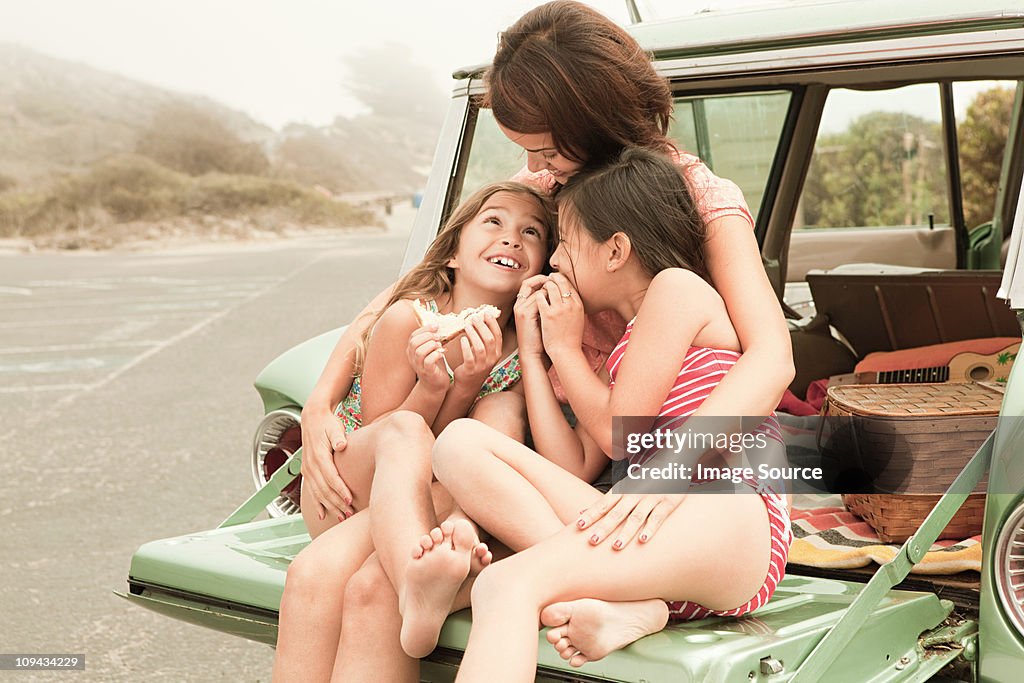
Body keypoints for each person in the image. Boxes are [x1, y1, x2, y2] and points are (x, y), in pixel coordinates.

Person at [296, 0, 793, 675]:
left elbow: (772, 356)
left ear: (596, 122)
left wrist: (671, 469)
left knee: (465, 583)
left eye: (544, 146)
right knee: (364, 587)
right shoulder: (551, 191)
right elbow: (415, 286)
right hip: (560, 469)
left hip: (673, 474)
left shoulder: (693, 201)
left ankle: (632, 591)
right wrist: (321, 402)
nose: (535, 165)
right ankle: (627, 593)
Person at [425, 147, 793, 681]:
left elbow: (625, 437)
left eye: (565, 245)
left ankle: (613, 597)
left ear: (616, 249)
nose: (553, 262)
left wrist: (569, 352)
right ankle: (641, 608)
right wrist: (535, 350)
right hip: (658, 523)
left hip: (731, 514)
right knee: (458, 442)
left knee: (504, 585)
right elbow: (572, 463)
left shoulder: (677, 289)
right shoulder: (625, 347)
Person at [271, 180, 557, 682]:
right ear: (451, 254)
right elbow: (391, 435)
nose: (511, 238)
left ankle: (420, 580)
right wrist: (432, 386)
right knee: (405, 427)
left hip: (423, 497)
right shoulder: (410, 318)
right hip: (352, 486)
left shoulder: (518, 347)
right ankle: (413, 586)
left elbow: (448, 456)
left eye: (530, 232)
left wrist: (469, 381)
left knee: (316, 575)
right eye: (493, 222)